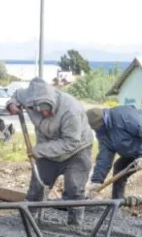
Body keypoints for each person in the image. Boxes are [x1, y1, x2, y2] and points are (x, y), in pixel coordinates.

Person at [7, 77, 95, 226]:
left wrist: (39, 150)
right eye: (41, 111)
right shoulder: (28, 96)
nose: (45, 114)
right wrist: (11, 104)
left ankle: (74, 224)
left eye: (48, 111)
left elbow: (71, 142)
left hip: (77, 149)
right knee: (37, 186)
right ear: (33, 104)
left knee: (74, 188)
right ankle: (28, 219)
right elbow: (16, 95)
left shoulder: (70, 110)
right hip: (47, 146)